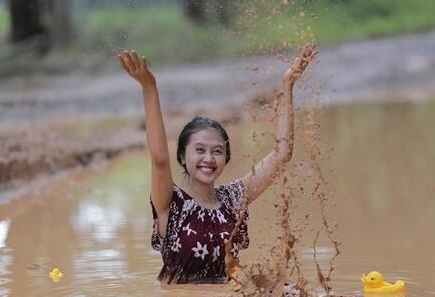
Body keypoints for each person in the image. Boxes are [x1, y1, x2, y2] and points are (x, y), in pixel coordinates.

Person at [118, 45, 317, 284]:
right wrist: (149, 87)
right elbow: (160, 160)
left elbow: (282, 155)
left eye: (217, 151)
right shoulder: (171, 203)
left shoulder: (233, 199)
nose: (209, 158)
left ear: (226, 159)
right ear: (182, 157)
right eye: (199, 150)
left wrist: (287, 86)